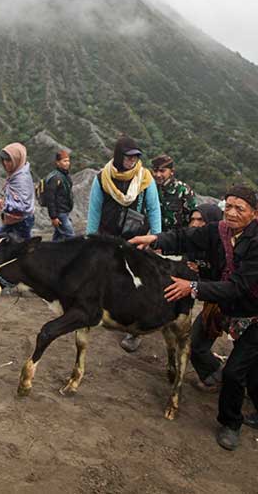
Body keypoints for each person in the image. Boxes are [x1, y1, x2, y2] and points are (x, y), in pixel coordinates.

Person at [131, 185, 258, 451]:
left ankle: (230, 423)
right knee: (200, 346)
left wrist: (192, 288)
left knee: (237, 370)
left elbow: (238, 285)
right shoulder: (220, 231)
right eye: (229, 207)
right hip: (226, 306)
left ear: (255, 213)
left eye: (240, 208)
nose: (232, 213)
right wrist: (154, 239)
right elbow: (186, 237)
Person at [86, 135, 160, 352]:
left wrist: (157, 237)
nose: (132, 161)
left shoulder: (145, 178)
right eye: (128, 156)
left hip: (135, 238)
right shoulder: (103, 179)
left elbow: (154, 209)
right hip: (109, 237)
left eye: (136, 157)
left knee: (136, 283)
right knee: (107, 276)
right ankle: (105, 313)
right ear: (119, 156)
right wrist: (91, 240)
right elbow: (95, 211)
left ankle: (134, 331)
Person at [0, 142, 35, 241]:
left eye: (9, 160)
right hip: (16, 220)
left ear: (17, 160)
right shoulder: (16, 174)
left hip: (20, 222)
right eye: (4, 159)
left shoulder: (21, 180)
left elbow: (21, 207)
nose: (5, 163)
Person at [150, 154, 197, 232]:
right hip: (153, 237)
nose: (158, 175)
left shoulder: (183, 190)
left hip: (176, 238)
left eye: (162, 171)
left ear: (172, 171)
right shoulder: (150, 189)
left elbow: (193, 217)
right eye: (155, 171)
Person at [41, 149, 74, 241]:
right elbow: (50, 199)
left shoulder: (65, 176)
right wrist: (53, 217)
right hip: (60, 213)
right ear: (58, 163)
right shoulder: (55, 178)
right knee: (70, 236)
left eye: (68, 161)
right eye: (64, 161)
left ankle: (51, 254)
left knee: (58, 237)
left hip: (65, 211)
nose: (67, 163)